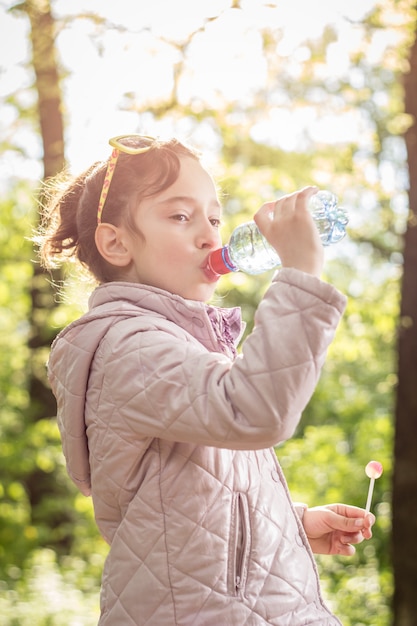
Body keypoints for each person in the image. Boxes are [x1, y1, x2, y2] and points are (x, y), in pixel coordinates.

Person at [39, 134, 375, 626]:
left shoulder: (178, 347)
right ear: (116, 243)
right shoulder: (126, 347)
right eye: (181, 216)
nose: (211, 237)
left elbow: (186, 500)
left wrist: (291, 523)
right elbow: (256, 411)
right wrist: (301, 274)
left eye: (215, 218)